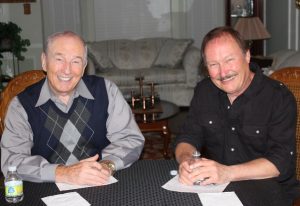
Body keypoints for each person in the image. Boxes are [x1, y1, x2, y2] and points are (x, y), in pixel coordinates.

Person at [1, 31, 144, 186]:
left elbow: (131, 139)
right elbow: (11, 160)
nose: (67, 70)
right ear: (44, 61)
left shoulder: (106, 91)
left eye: (76, 61)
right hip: (46, 188)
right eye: (59, 59)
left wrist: (107, 165)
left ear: (83, 67)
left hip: (99, 182)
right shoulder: (22, 104)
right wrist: (64, 173)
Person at [174, 26, 299, 203]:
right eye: (213, 65)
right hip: (215, 189)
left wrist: (227, 173)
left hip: (267, 188)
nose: (223, 72)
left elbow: (281, 162)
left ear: (247, 56)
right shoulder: (204, 91)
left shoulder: (278, 97)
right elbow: (187, 137)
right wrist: (186, 161)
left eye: (229, 60)